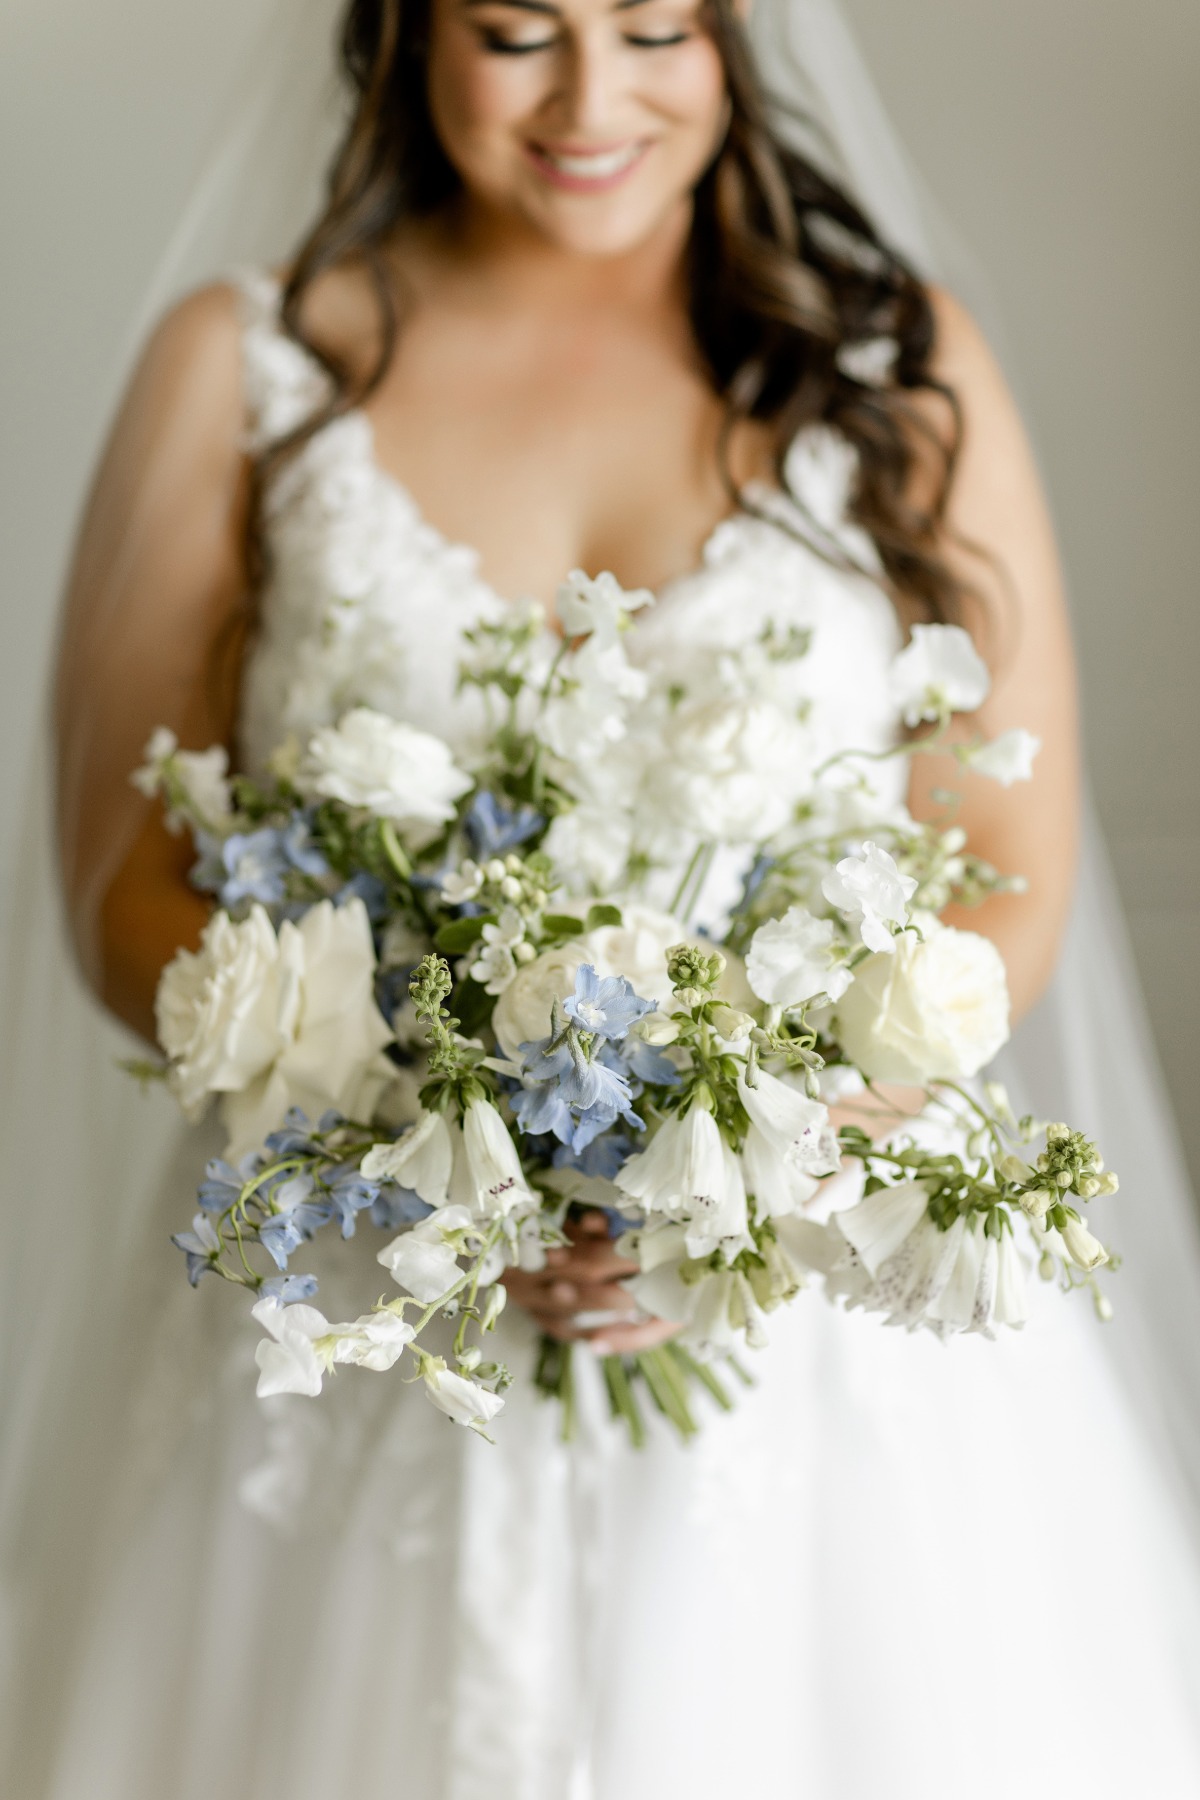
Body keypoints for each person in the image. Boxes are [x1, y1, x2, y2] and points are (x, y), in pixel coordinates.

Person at [28, 0, 1200, 1794]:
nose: (595, 99)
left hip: (817, 1324)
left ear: (737, 37)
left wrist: (749, 1160)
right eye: (517, 32)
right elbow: (128, 888)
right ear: (406, 35)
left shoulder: (890, 364)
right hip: (368, 1295)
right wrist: (438, 1132)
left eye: (659, 28)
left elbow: (1008, 865)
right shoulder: (256, 361)